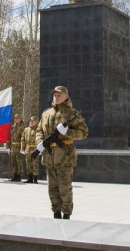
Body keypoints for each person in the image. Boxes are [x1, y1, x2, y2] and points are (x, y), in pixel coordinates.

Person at [36, 86, 88, 219]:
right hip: (49, 156)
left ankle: (66, 214)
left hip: (65, 158)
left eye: (59, 94)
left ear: (66, 97)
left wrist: (67, 132)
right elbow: (39, 130)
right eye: (54, 94)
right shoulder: (46, 113)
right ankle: (56, 212)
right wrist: (40, 142)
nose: (56, 96)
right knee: (52, 188)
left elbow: (83, 133)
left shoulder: (72, 113)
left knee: (65, 188)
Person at [21, 116, 41, 183]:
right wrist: (22, 149)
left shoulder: (39, 129)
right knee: (28, 164)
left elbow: (41, 139)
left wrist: (40, 149)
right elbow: (23, 139)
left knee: (35, 164)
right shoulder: (26, 129)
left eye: (33, 121)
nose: (31, 122)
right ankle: (30, 178)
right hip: (28, 148)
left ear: (36, 122)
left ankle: (35, 179)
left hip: (35, 148)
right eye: (30, 121)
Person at [6, 114, 26, 181]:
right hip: (13, 147)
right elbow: (9, 137)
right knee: (13, 162)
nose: (15, 119)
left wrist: (22, 148)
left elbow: (23, 138)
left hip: (18, 147)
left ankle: (19, 176)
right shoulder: (12, 127)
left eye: (17, 118)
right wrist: (7, 147)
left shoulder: (22, 127)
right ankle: (15, 174)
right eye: (15, 118)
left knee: (19, 162)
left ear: (20, 119)